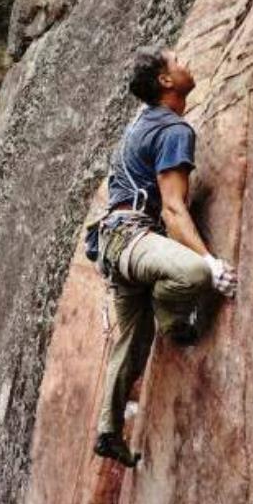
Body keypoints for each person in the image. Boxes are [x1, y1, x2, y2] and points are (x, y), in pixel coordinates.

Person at [92, 47, 238, 467]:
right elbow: (173, 209)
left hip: (113, 246)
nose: (184, 59)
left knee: (132, 343)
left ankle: (107, 430)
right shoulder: (174, 129)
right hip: (135, 239)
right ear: (165, 82)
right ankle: (173, 319)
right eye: (176, 60)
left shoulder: (140, 122)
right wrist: (210, 263)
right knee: (192, 272)